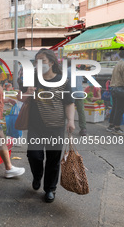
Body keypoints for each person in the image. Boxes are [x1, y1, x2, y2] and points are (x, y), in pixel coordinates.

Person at [20, 49, 75, 203]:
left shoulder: (63, 81)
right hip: (36, 126)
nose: (39, 64)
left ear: (51, 62)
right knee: (34, 155)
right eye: (36, 61)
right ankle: (37, 176)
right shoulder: (32, 79)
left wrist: (70, 121)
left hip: (56, 126)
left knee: (53, 160)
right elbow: (20, 98)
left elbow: (69, 102)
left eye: (42, 60)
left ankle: (50, 189)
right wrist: (27, 93)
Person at [106, 47, 124, 135]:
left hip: (115, 89)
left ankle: (111, 126)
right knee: (120, 109)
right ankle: (117, 128)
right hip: (122, 89)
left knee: (115, 108)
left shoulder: (119, 63)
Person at [68, 60, 87, 136]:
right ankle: (83, 129)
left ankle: (69, 127)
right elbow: (81, 82)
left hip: (70, 93)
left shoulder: (66, 71)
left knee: (67, 110)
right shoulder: (78, 71)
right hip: (80, 93)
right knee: (81, 111)